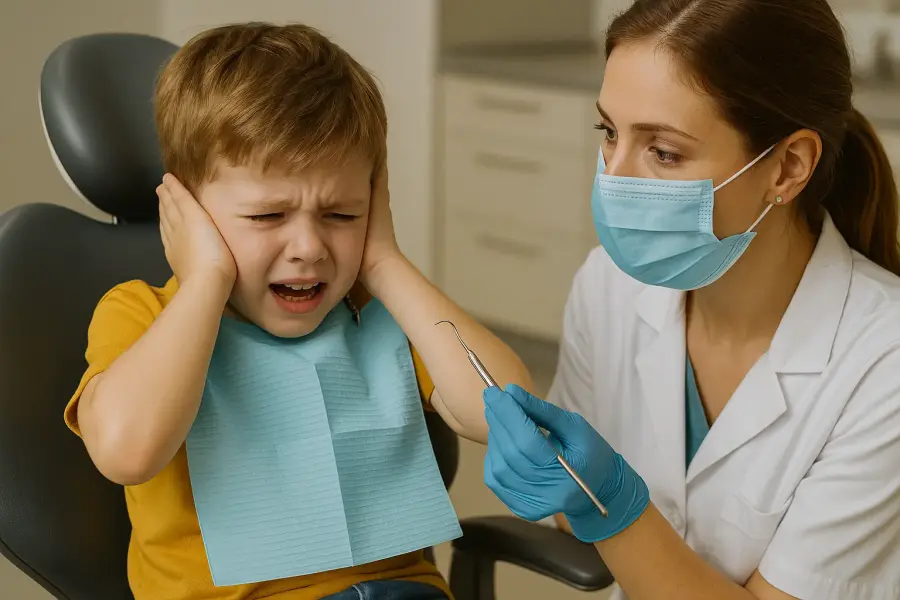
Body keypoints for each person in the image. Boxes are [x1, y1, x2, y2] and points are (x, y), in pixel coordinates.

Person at [63, 23, 531, 600]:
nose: (309, 247)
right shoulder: (139, 314)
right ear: (187, 211)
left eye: (341, 215)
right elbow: (127, 451)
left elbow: (509, 412)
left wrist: (384, 262)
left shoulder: (377, 309)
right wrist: (206, 278)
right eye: (266, 217)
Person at [480, 1, 900, 599]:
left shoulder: (884, 359)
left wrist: (616, 508)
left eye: (664, 152)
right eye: (609, 133)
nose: (615, 179)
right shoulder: (609, 286)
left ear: (787, 167)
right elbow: (569, 515)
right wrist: (558, 483)